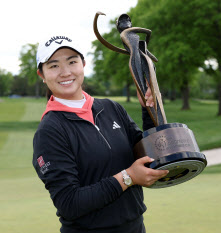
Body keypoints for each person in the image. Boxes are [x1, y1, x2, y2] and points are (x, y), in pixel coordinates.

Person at [32, 34, 169, 233]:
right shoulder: (50, 130)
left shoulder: (111, 108)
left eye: (72, 62)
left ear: (83, 64)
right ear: (42, 75)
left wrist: (149, 108)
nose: (65, 72)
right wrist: (128, 177)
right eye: (54, 66)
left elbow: (148, 155)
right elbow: (69, 203)